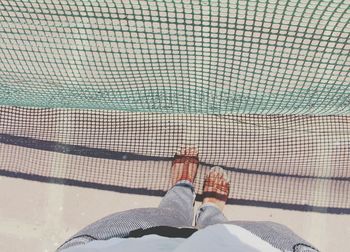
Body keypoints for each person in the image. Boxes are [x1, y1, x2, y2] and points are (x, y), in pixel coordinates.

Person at [57, 148, 319, 252]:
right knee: (229, 231)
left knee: (167, 216)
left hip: (124, 244)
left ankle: (182, 190)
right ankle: (211, 210)